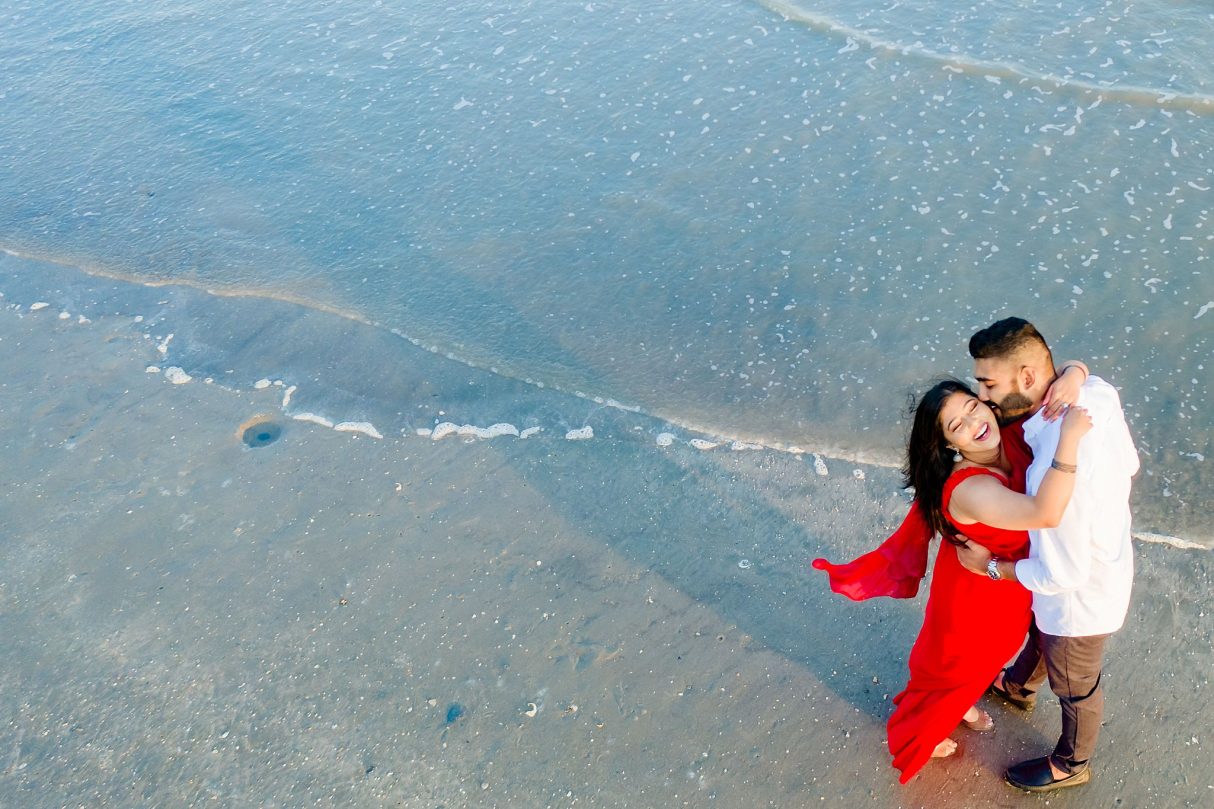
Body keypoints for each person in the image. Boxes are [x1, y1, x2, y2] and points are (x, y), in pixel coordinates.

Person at [813, 372, 1091, 784]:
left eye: (972, 406)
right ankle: (921, 731)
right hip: (976, 593)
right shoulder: (969, 487)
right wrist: (1069, 438)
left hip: (1007, 585)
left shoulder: (1008, 436)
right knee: (952, 667)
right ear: (949, 444)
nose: (974, 422)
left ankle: (961, 703)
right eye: (956, 425)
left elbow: (1038, 364)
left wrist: (1075, 373)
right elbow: (1044, 513)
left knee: (983, 664)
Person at [955, 317, 1139, 793]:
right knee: (1041, 633)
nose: (985, 396)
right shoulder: (1093, 397)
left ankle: (1071, 763)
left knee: (1075, 683)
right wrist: (1076, 370)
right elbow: (1127, 453)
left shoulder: (1050, 479)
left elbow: (1062, 573)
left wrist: (991, 567)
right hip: (1112, 554)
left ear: (1029, 379)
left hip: (1082, 601)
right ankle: (1016, 687)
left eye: (989, 383)